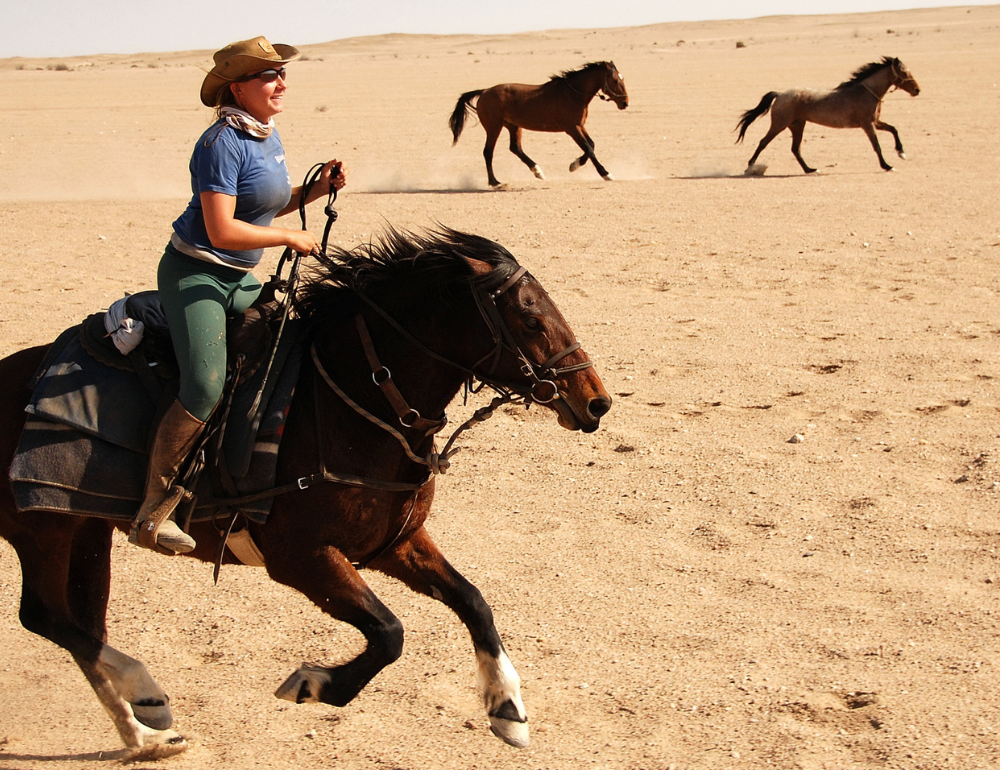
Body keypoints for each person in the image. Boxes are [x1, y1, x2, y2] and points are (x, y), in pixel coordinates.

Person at [129, 36, 347, 554]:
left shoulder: (266, 136)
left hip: (239, 278)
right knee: (204, 384)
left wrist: (313, 193)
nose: (282, 83)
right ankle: (155, 510)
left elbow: (263, 205)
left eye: (282, 74)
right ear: (238, 87)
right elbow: (223, 230)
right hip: (197, 276)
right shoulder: (219, 144)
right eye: (270, 76)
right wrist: (291, 236)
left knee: (286, 347)